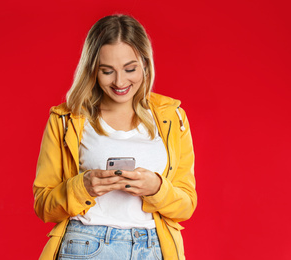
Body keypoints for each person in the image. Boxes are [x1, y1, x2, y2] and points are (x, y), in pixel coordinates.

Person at [33, 14, 197, 260]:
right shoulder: (66, 119)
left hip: (154, 248)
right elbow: (44, 205)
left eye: (130, 69)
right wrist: (83, 187)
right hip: (86, 245)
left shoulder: (173, 118)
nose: (120, 81)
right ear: (92, 70)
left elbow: (187, 205)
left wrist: (157, 188)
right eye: (107, 71)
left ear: (145, 63)